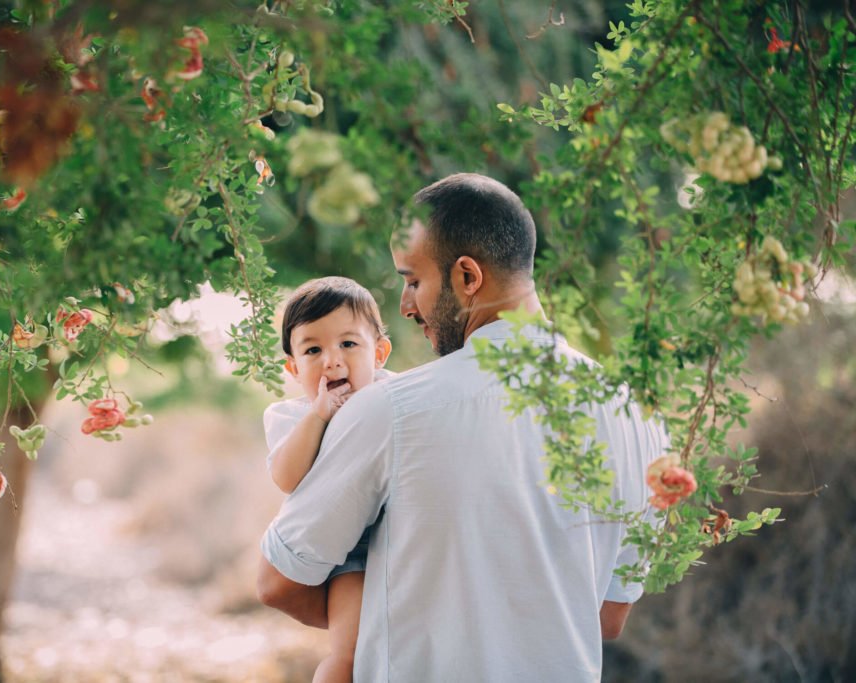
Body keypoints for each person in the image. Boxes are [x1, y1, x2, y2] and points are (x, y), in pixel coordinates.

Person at [257, 173, 667, 681]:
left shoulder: (391, 411)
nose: (405, 306)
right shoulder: (639, 420)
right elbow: (607, 615)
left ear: (467, 277)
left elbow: (279, 582)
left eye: (412, 281)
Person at [263, 276, 392, 683]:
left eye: (349, 344)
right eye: (313, 349)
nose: (332, 360)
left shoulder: (394, 394)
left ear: (380, 353)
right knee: (350, 653)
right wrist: (318, 415)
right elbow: (286, 478)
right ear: (293, 366)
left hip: (405, 537)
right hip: (347, 551)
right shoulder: (290, 415)